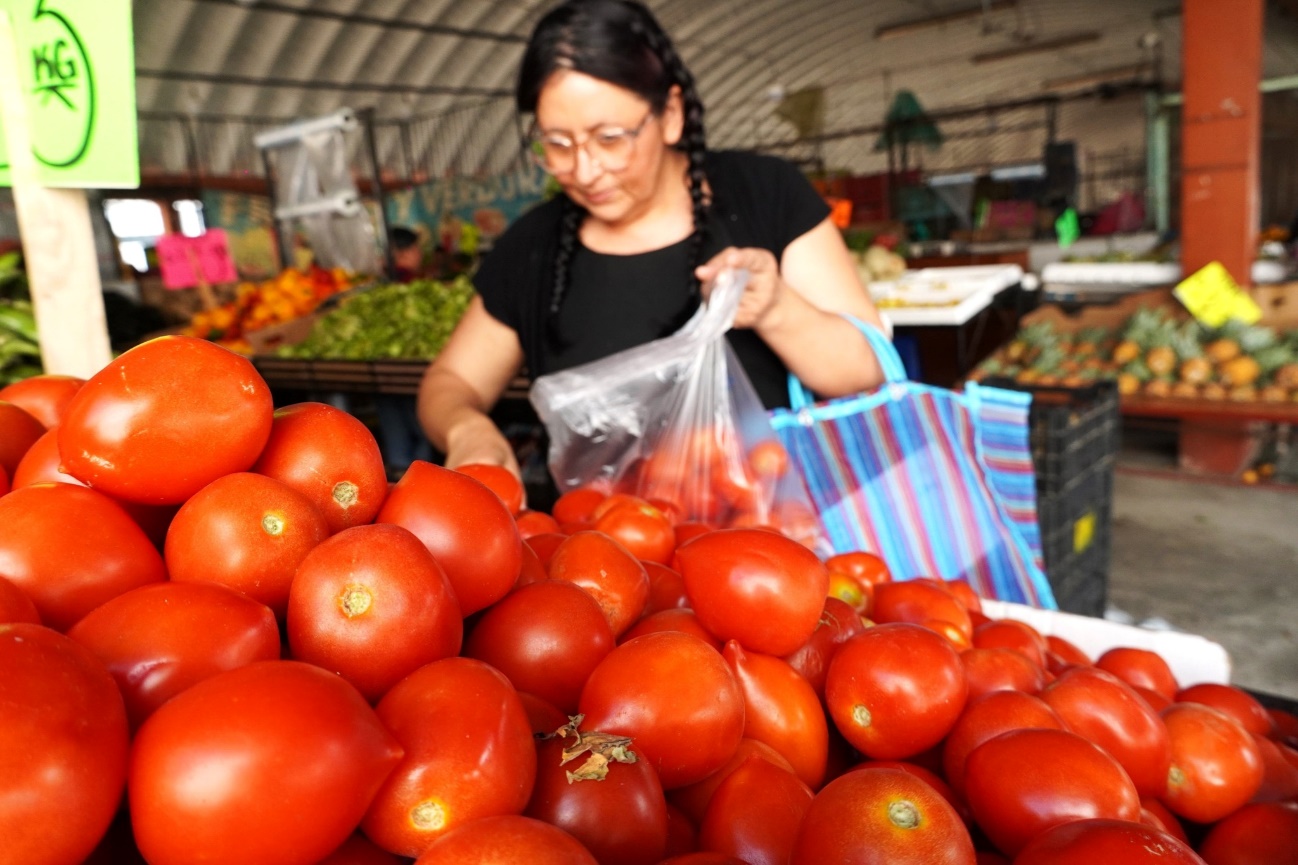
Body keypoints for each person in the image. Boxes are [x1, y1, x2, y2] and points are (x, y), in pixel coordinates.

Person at [418, 0, 887, 478]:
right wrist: (466, 428)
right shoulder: (532, 248)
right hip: (606, 547)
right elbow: (451, 381)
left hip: (778, 534)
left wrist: (777, 309)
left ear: (671, 115)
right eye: (556, 143)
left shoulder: (765, 193)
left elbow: (866, 373)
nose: (583, 170)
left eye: (610, 138)